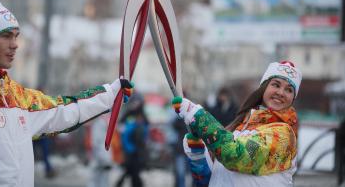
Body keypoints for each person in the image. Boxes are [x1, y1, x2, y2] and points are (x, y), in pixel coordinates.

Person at [0, 0, 133, 187]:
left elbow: (63, 110)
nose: (15, 44)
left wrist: (111, 93)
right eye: (5, 36)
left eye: (16, 35)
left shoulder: (14, 96)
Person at [172, 61, 302, 187]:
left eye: (289, 90)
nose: (281, 93)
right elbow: (214, 180)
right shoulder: (240, 128)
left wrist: (198, 116)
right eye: (276, 85)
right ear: (264, 87)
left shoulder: (283, 136)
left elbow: (236, 156)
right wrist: (199, 158)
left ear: (293, 98)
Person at [115, 93, 149, 187]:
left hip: (139, 150)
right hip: (129, 149)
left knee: (133, 172)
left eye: (137, 102)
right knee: (131, 171)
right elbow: (122, 129)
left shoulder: (142, 116)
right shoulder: (127, 114)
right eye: (134, 102)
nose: (135, 104)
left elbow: (146, 131)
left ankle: (119, 183)